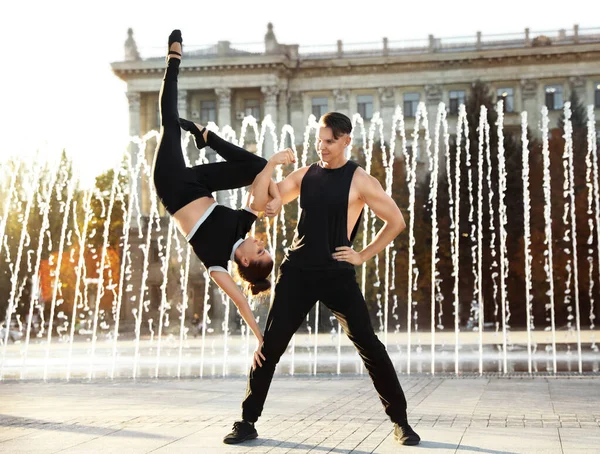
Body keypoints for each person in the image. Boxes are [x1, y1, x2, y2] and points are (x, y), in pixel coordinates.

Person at [223, 112, 420, 446]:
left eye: (330, 141)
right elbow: (261, 203)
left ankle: (400, 422)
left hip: (336, 275)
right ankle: (246, 421)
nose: (322, 147)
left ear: (346, 140)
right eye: (319, 140)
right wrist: (270, 166)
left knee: (370, 346)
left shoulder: (360, 180)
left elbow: (396, 221)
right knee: (270, 347)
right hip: (297, 272)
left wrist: (361, 255)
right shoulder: (305, 175)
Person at [152, 30, 295, 369]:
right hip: (200, 185)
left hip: (172, 185)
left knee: (170, 125)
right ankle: (207, 137)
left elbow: (242, 304)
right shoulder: (244, 226)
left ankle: (172, 62)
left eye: (260, 251)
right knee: (256, 165)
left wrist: (261, 339)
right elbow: (259, 176)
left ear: (245, 262)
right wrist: (276, 190)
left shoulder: (217, 264)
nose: (259, 242)